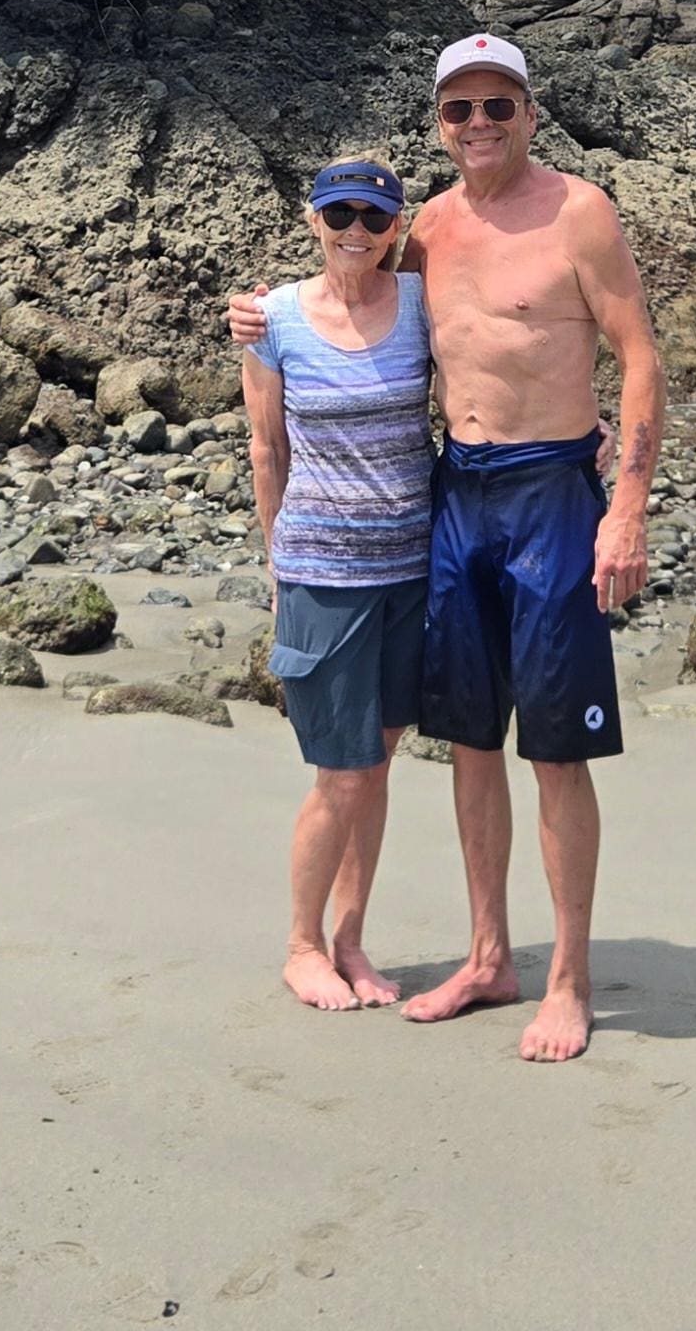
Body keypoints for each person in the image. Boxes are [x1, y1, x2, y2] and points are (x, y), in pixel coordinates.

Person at [230, 34, 664, 1063]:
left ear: (530, 113)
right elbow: (352, 284)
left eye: (497, 105)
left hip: (551, 494)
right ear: (439, 123)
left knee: (554, 749)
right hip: (456, 497)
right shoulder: (424, 225)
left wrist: (627, 507)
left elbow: (639, 354)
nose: (479, 124)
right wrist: (261, 312)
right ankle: (487, 957)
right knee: (469, 740)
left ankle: (568, 979)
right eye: (459, 109)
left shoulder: (581, 212)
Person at [241, 156, 435, 1014]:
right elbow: (267, 449)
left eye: (374, 217)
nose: (357, 230)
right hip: (324, 573)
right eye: (340, 214)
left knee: (379, 761)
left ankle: (352, 940)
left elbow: (503, 355)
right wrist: (278, 565)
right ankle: (302, 946)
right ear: (314, 220)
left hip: (413, 570)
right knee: (341, 772)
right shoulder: (273, 319)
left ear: (397, 228)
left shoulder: (422, 304)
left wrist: (588, 427)